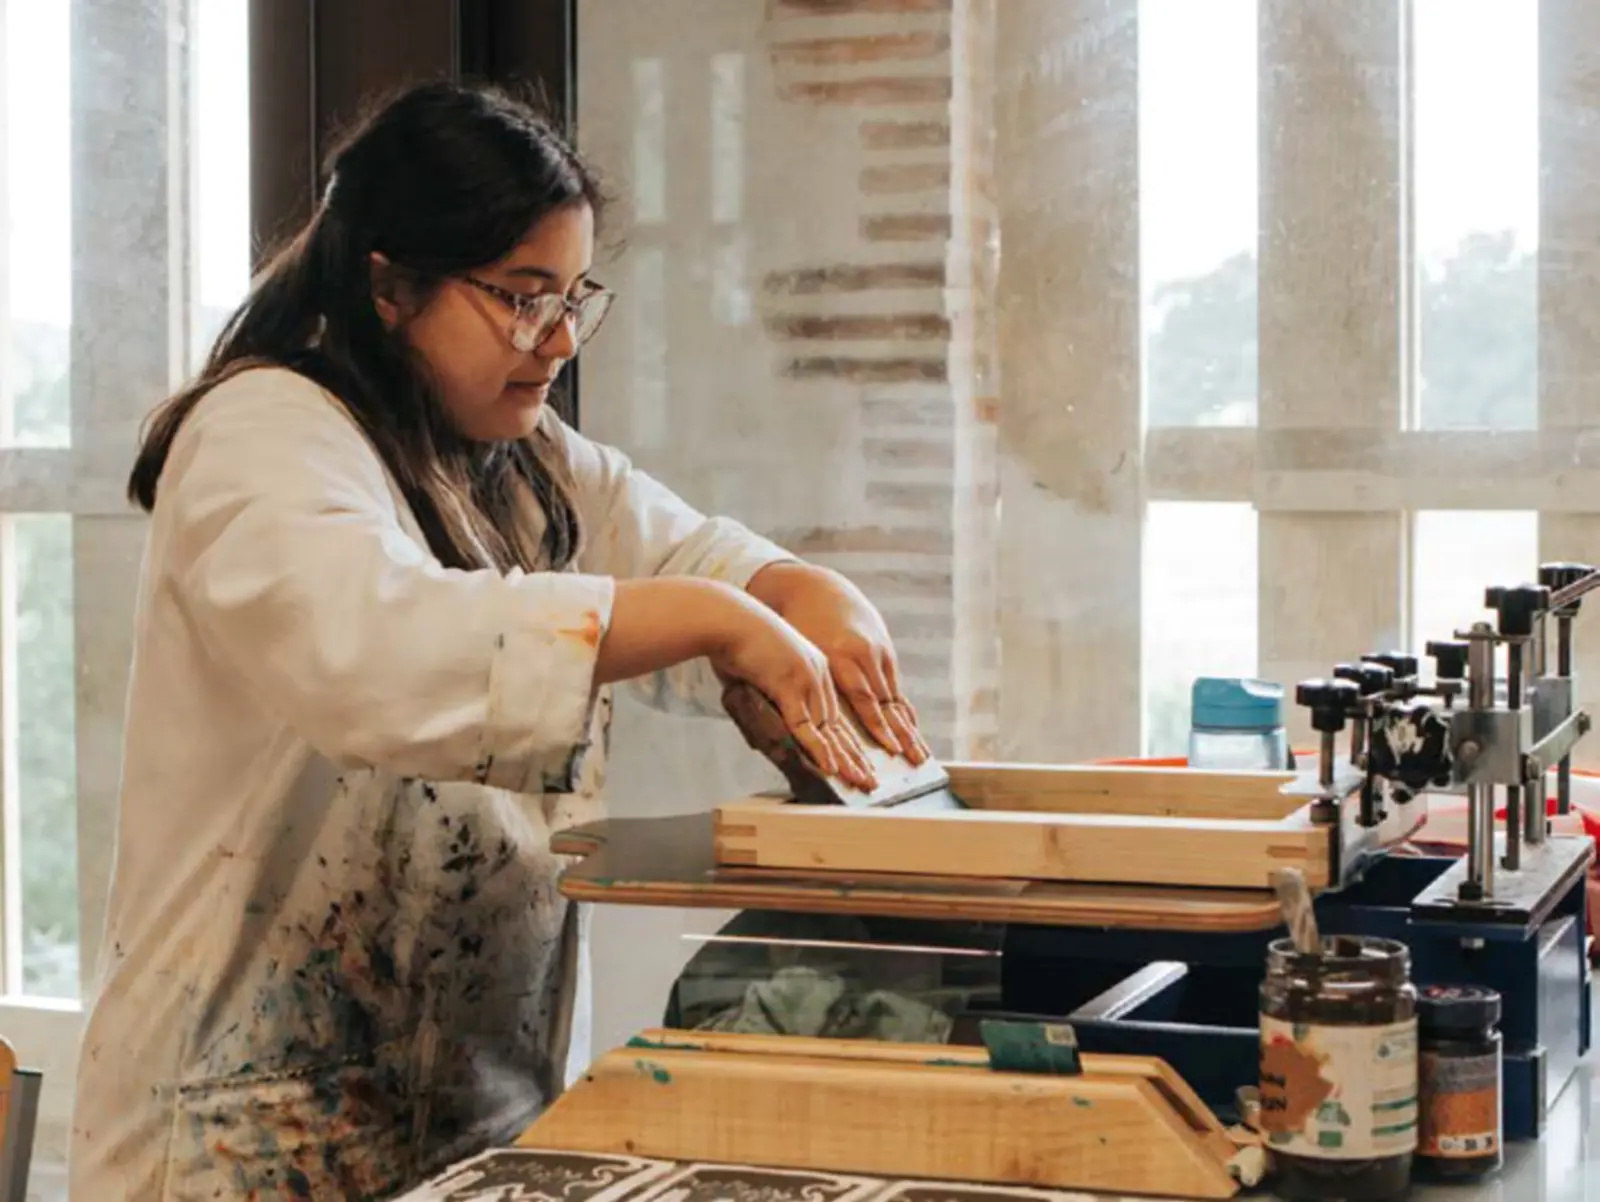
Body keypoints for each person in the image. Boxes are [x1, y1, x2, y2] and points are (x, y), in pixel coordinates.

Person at [69, 81, 931, 1201]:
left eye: (575, 298)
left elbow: (690, 556)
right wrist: (720, 620)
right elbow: (376, 647)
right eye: (523, 300)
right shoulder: (264, 432)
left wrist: (802, 596)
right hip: (251, 1128)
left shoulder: (523, 458)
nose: (559, 342)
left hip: (481, 1112)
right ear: (390, 285)